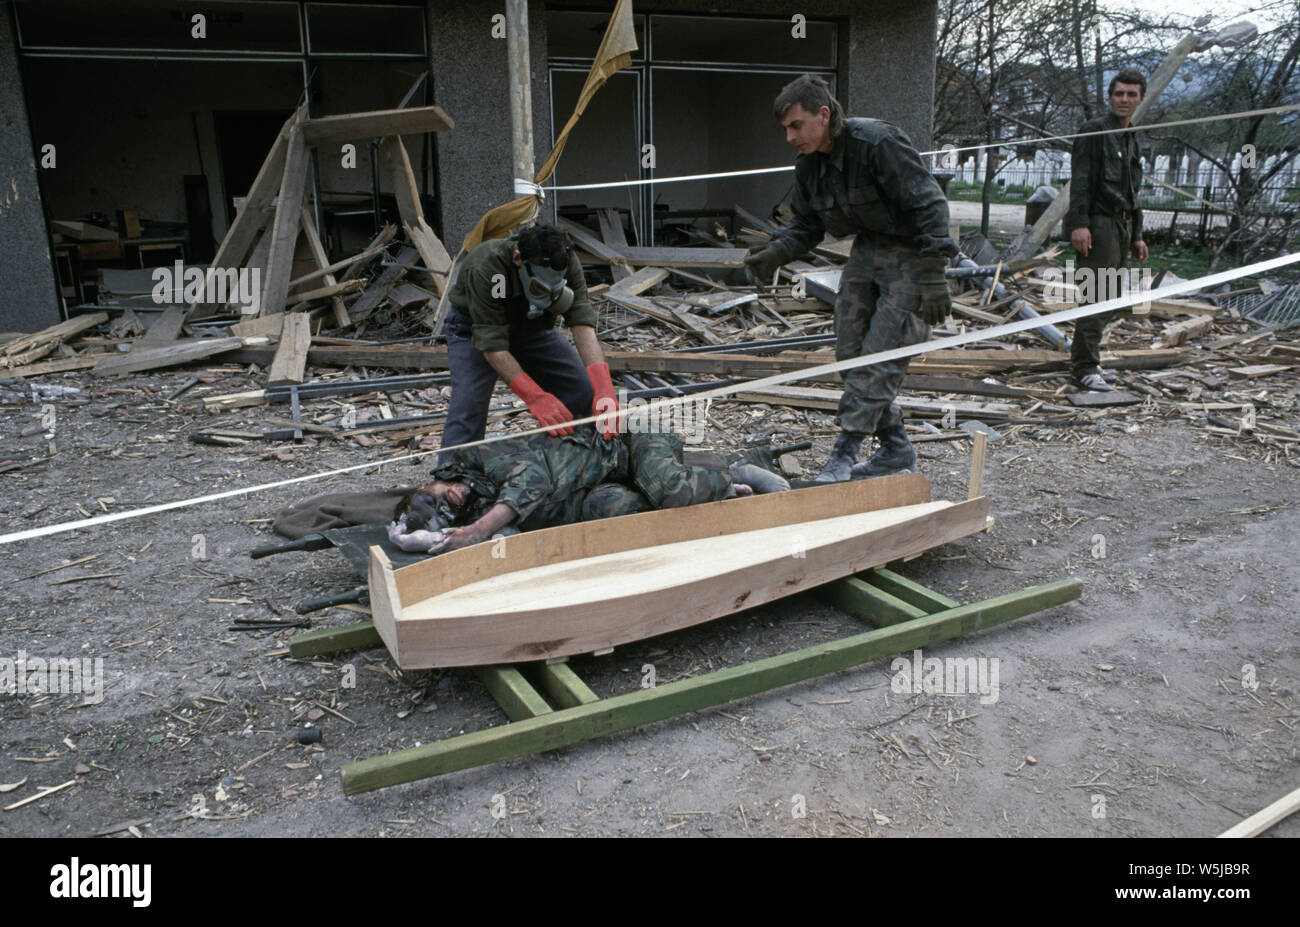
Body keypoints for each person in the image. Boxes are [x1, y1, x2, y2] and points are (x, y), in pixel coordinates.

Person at [745, 74, 957, 482]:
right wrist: (776, 252)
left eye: (796, 125)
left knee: (880, 356)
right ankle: (896, 448)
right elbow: (807, 222)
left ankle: (844, 452)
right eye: (784, 128)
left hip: (912, 253)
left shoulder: (876, 143)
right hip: (867, 251)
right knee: (851, 356)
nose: (789, 137)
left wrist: (933, 273)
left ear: (823, 115)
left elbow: (930, 202)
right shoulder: (810, 164)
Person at [388, 426, 789, 554]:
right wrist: (429, 536)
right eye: (445, 512)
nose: (448, 501)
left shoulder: (479, 459)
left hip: (626, 451)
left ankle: (737, 473)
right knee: (636, 525)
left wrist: (479, 530)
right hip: (597, 493)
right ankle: (725, 496)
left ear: (429, 482)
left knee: (670, 490)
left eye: (435, 497)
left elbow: (530, 481)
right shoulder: (473, 511)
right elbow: (503, 538)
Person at [441, 223, 619, 461]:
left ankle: (584, 457)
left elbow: (582, 325)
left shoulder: (565, 259)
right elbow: (494, 347)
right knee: (469, 406)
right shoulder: (492, 270)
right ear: (518, 259)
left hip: (531, 326)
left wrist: (604, 389)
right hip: (475, 329)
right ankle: (449, 482)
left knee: (581, 389)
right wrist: (535, 398)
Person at [1064, 68, 1149, 392]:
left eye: (1131, 94)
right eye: (1118, 94)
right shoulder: (1095, 131)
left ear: (1140, 98)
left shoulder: (1130, 135)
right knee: (1096, 295)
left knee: (1110, 298)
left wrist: (1138, 234)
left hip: (1122, 225)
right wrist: (1080, 224)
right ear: (1110, 97)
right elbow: (1081, 181)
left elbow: (1133, 191)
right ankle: (1084, 368)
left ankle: (1090, 361)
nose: (1124, 100)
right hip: (1098, 224)